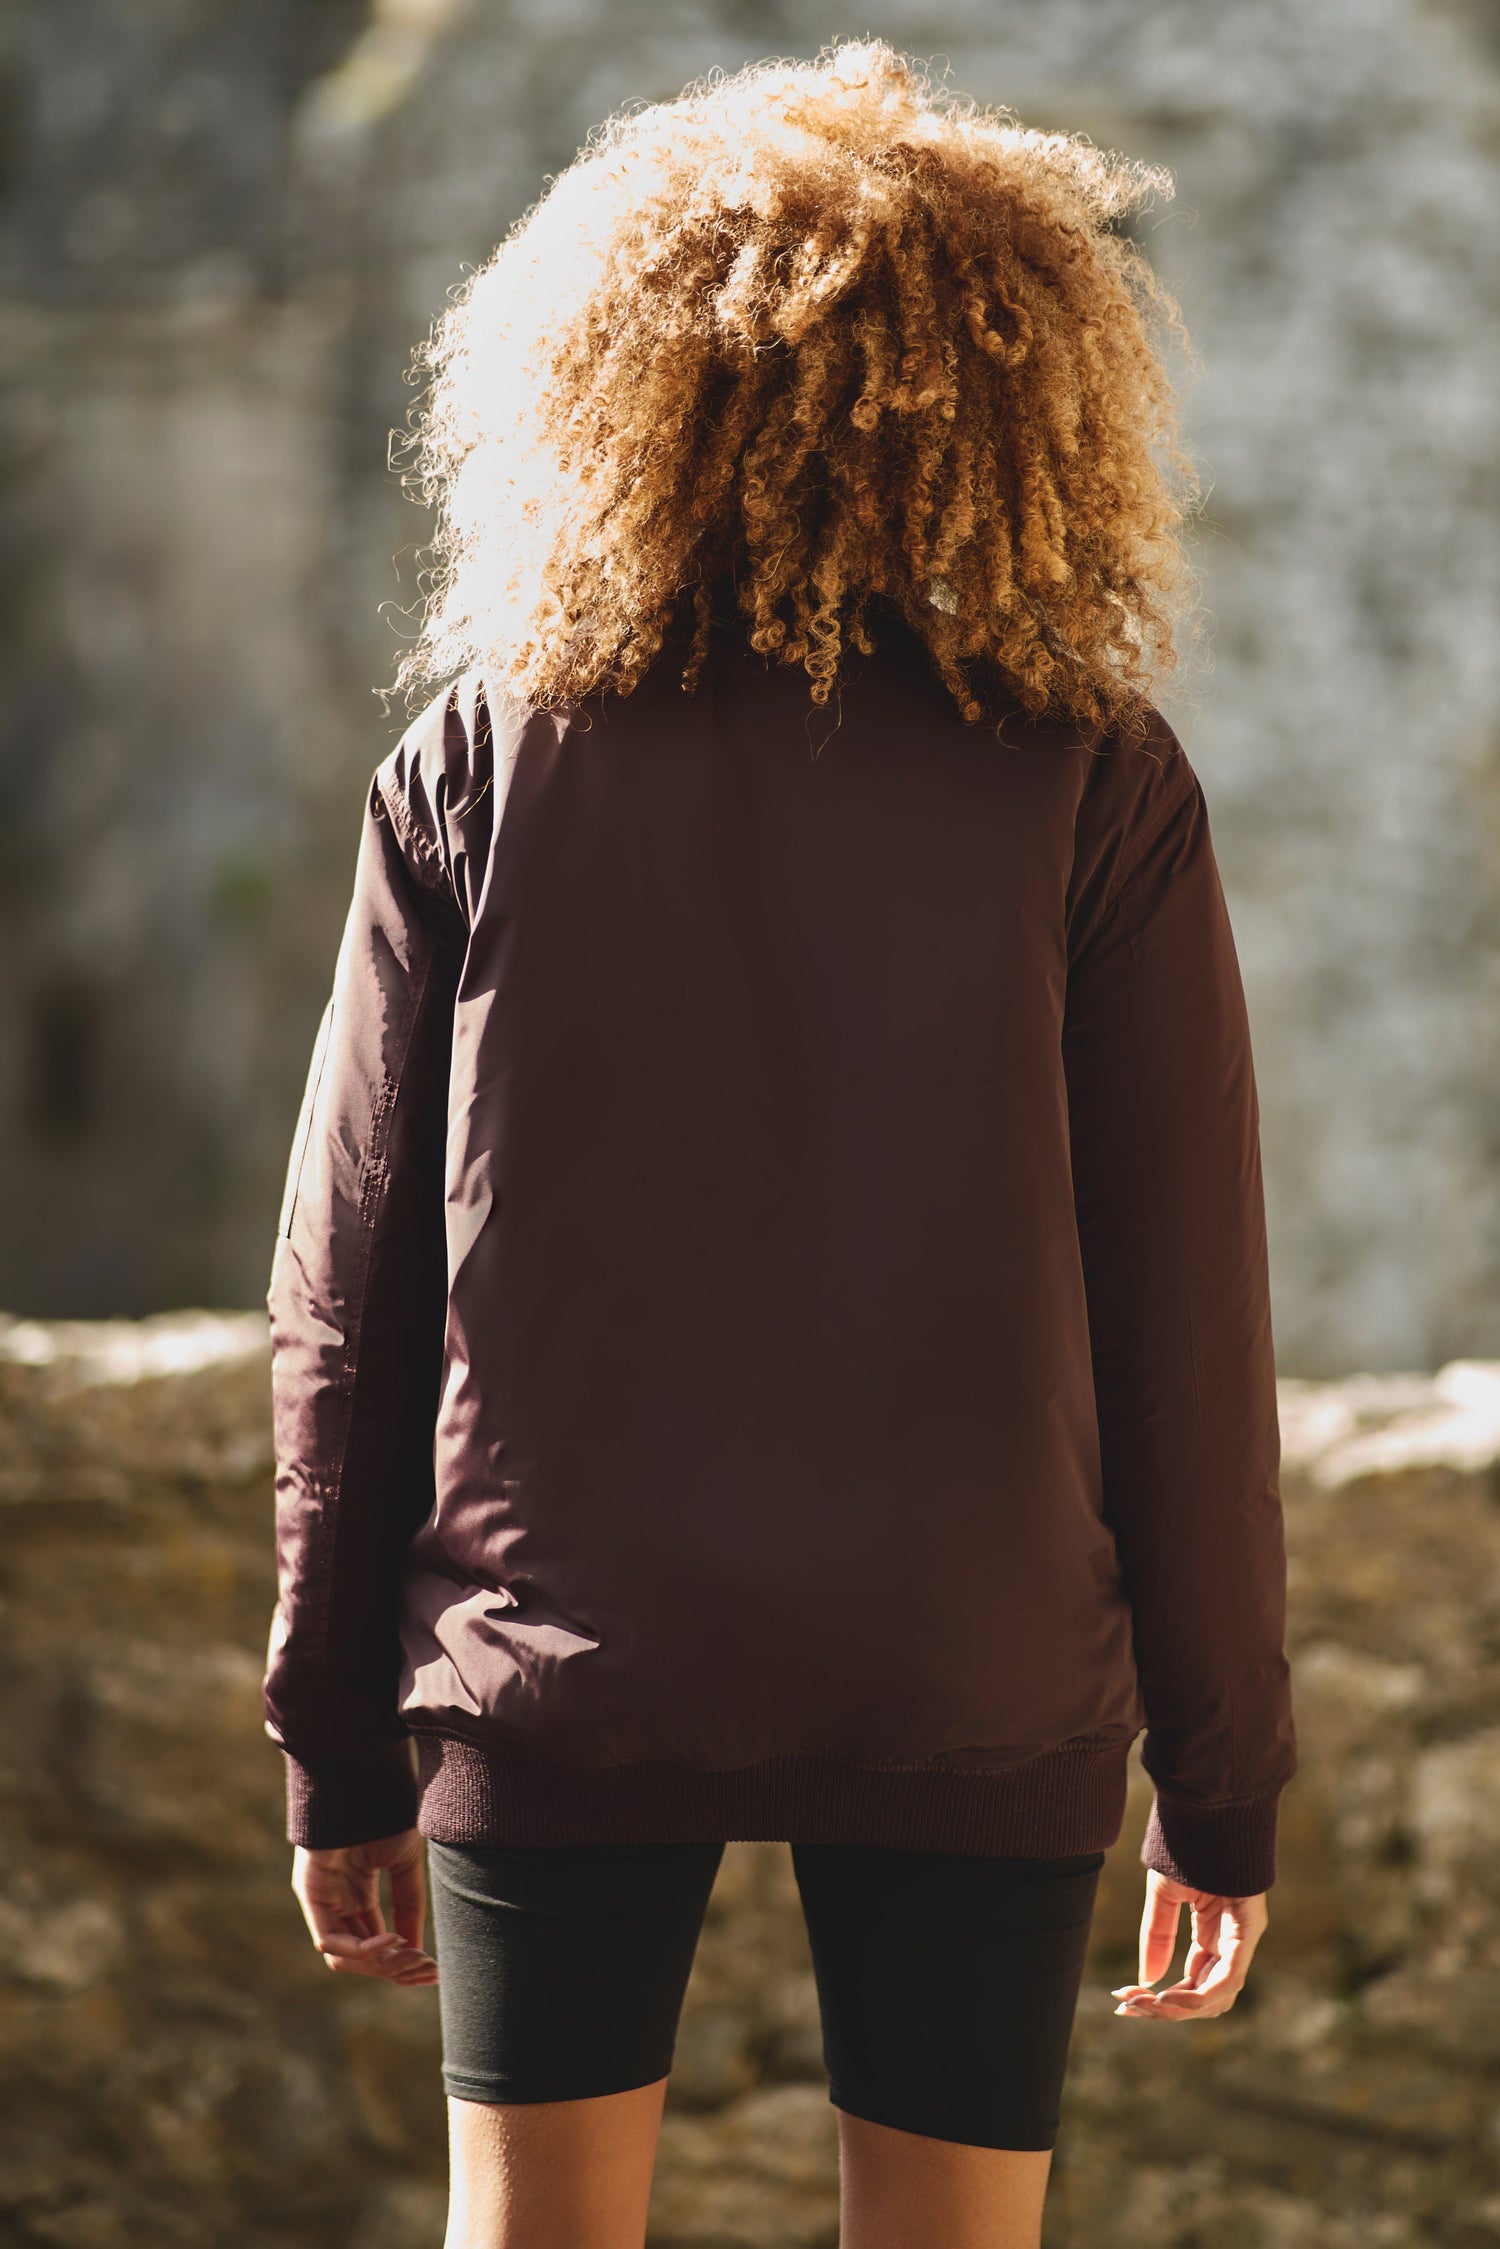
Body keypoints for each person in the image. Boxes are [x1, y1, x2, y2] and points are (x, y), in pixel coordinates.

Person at [262, 37, 1297, 2249]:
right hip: (973, 1667)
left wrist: (336, 1729)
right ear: (1022, 393)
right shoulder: (1088, 777)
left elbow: (345, 1305)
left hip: (557, 1664)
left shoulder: (482, 763)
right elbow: (1187, 1324)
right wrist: (1223, 1778)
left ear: (607, 384)